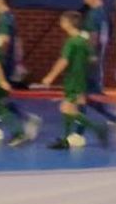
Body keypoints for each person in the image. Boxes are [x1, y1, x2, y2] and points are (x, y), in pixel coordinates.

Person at [37, 9, 101, 150]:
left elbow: (63, 61)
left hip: (73, 79)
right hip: (81, 78)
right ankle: (75, 137)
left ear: (68, 23)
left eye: (62, 21)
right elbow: (93, 59)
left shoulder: (71, 42)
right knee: (77, 106)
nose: (61, 23)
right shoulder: (84, 41)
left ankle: (96, 129)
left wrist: (50, 76)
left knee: (66, 108)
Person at [78, 0, 116, 131]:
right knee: (84, 95)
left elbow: (93, 37)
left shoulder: (94, 14)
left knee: (80, 94)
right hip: (97, 58)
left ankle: (79, 131)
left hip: (90, 59)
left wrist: (89, 55)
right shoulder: (103, 13)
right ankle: (111, 117)